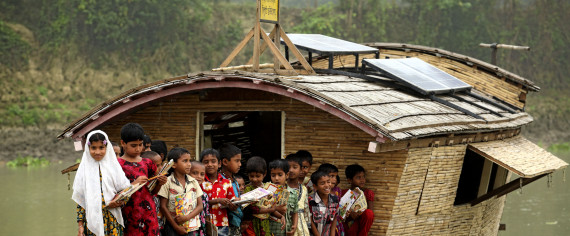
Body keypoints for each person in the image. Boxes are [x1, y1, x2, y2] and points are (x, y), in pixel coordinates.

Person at [73, 130, 146, 236]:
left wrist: (117, 202)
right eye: (93, 148)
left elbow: (125, 191)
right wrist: (80, 225)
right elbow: (81, 201)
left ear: (106, 148)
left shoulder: (114, 168)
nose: (97, 152)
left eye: (101, 148)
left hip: (112, 219)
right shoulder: (84, 171)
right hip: (92, 220)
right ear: (88, 149)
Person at [118, 123, 167, 236]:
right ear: (123, 143)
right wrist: (134, 184)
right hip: (128, 212)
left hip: (148, 212)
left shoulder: (147, 163)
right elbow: (114, 193)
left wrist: (160, 183)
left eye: (140, 145)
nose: (138, 149)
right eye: (133, 145)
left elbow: (152, 191)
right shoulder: (117, 164)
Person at [158, 148, 204, 236]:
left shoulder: (193, 182)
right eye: (185, 161)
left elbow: (200, 206)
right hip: (172, 226)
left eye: (189, 161)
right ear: (174, 165)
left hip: (191, 226)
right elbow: (163, 206)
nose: (189, 164)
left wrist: (186, 217)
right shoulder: (167, 182)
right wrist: (176, 227)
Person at [200, 148, 237, 236]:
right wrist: (218, 200)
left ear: (219, 163)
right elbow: (199, 203)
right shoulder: (199, 182)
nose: (210, 165)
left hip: (222, 223)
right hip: (203, 222)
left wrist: (234, 204)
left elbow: (232, 205)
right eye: (206, 162)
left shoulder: (227, 182)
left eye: (213, 161)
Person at [242, 156, 274, 236]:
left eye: (257, 176)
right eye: (251, 176)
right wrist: (273, 209)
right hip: (252, 223)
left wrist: (281, 215)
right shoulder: (247, 189)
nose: (254, 179)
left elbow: (273, 203)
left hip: (265, 222)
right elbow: (251, 209)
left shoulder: (268, 188)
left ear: (264, 174)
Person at [218, 143, 244, 236]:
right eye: (237, 161)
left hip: (236, 223)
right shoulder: (219, 181)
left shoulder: (234, 181)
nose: (240, 164)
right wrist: (228, 204)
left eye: (240, 161)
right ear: (225, 162)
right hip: (225, 225)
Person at [341, 164, 374, 236]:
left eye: (363, 177)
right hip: (347, 223)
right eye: (358, 177)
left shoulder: (367, 193)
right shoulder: (345, 193)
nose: (362, 180)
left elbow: (371, 213)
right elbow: (341, 210)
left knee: (369, 213)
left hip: (361, 222)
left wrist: (360, 213)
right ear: (349, 180)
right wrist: (350, 213)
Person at [285, 154, 310, 236]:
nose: (291, 170)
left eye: (295, 167)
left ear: (301, 169)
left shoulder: (304, 189)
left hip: (301, 226)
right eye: (288, 167)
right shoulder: (282, 188)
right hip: (286, 224)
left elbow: (306, 209)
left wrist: (308, 225)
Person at [309, 171, 339, 236]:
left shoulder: (335, 200)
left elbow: (334, 220)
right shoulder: (311, 201)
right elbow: (311, 222)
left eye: (328, 182)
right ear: (315, 186)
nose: (327, 185)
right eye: (322, 183)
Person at [317, 164, 344, 235]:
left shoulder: (337, 191)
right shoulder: (318, 192)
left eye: (335, 176)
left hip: (336, 224)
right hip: (322, 225)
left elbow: (339, 208)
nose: (335, 179)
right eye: (332, 176)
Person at [142, 151, 165, 232]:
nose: (161, 168)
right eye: (157, 165)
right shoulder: (142, 181)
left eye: (161, 164)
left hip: (158, 224)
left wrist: (159, 184)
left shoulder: (157, 180)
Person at [268, 159, 292, 236]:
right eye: (273, 175)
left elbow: (295, 211)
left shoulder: (293, 193)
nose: (276, 178)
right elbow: (266, 207)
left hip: (287, 230)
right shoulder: (268, 191)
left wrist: (294, 225)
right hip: (271, 229)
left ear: (287, 175)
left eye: (280, 175)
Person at [189, 161, 211, 235]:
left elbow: (206, 214)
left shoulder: (204, 195)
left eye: (202, 174)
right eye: (195, 173)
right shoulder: (185, 193)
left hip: (201, 230)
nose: (199, 176)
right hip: (189, 230)